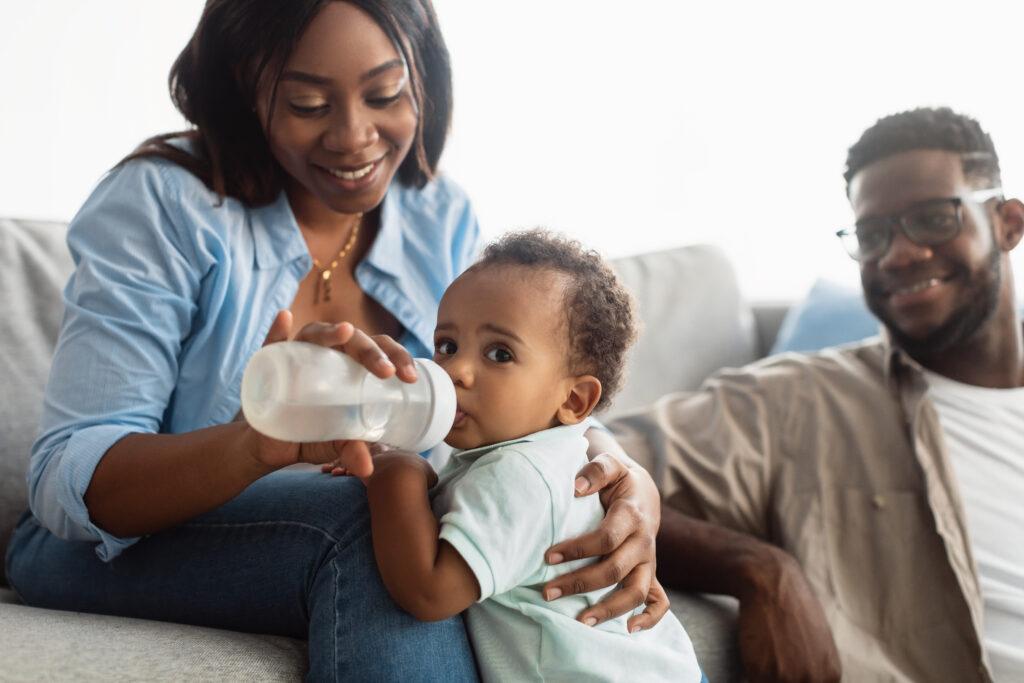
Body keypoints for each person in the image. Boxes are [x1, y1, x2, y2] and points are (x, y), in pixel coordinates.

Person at [3, 2, 665, 679]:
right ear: (245, 84)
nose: (354, 137)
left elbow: (529, 401)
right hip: (105, 542)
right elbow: (67, 475)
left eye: (385, 95)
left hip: (301, 534)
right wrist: (248, 447)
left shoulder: (436, 214)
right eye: (308, 103)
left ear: (423, 79)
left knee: (416, 511)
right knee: (379, 511)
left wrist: (623, 481)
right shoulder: (165, 205)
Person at [607, 107, 1024, 682]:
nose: (900, 254)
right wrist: (755, 567)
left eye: (933, 219)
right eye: (873, 234)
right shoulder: (797, 400)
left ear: (1007, 223)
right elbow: (589, 454)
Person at [357, 230, 702, 682]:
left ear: (575, 401)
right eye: (447, 345)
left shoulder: (520, 473)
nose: (455, 370)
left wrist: (393, 471)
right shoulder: (544, 455)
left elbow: (428, 593)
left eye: (499, 354)